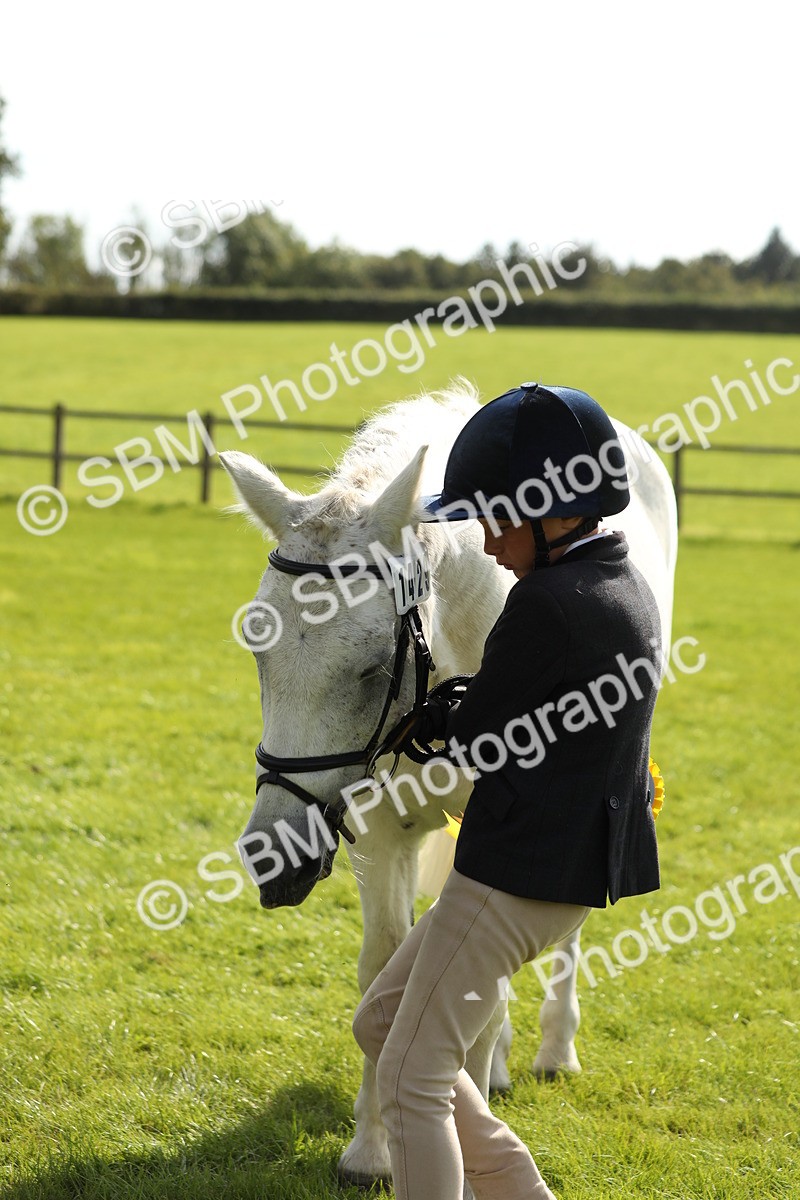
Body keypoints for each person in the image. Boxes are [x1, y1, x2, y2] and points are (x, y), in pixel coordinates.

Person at [352, 382, 663, 1200]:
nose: (486, 543)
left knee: (412, 1081)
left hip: (512, 878)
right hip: (559, 876)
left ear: (554, 510)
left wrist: (425, 714)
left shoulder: (544, 604)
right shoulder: (621, 583)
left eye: (495, 519)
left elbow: (473, 740)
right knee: (380, 1022)